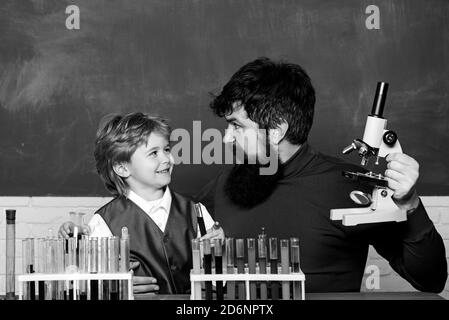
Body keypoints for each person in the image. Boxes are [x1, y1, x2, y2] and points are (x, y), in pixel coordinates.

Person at [196, 57, 447, 293]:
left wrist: (410, 204)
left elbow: (430, 279)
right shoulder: (226, 182)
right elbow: (178, 231)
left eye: (237, 126)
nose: (226, 137)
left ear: (276, 130)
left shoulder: (347, 187)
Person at [59, 112, 224, 295]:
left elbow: (218, 282)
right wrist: (117, 288)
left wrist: (220, 253)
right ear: (122, 167)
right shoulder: (103, 222)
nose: (167, 159)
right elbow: (86, 286)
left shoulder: (196, 212)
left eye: (167, 150)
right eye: (154, 153)